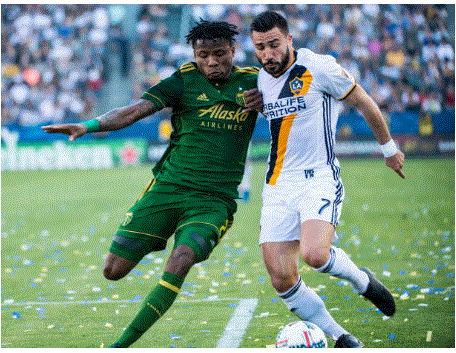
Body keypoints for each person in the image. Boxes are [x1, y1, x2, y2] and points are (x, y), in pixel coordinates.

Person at [42, 20, 262, 348]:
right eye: (204, 55)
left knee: (182, 257)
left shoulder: (257, 84)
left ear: (233, 52)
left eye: (219, 54)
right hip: (167, 189)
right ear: (195, 55)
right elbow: (134, 111)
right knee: (113, 270)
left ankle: (121, 345)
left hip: (213, 201)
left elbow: (295, 105)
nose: (212, 62)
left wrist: (269, 104)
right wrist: (89, 125)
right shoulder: (183, 81)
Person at [249, 11, 405, 348]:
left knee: (316, 255)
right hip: (277, 184)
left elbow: (363, 100)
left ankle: (362, 280)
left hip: (318, 177)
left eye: (274, 45)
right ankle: (341, 337)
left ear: (289, 40)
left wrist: (389, 149)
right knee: (282, 278)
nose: (267, 54)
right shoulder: (257, 79)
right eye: (260, 48)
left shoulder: (319, 67)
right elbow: (277, 113)